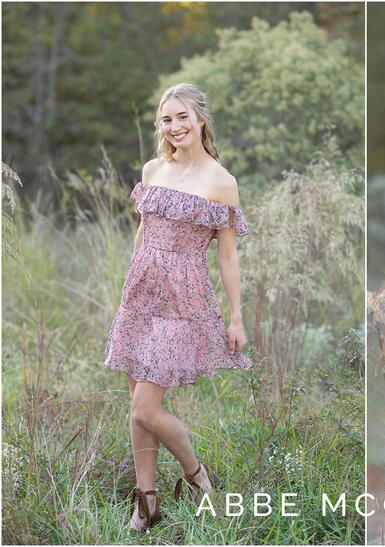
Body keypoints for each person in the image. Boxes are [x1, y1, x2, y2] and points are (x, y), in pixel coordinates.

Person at [103, 83, 253, 531]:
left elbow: (227, 255)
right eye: (167, 119)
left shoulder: (221, 182)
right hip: (140, 296)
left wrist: (236, 315)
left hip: (183, 300)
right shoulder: (153, 170)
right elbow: (142, 234)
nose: (175, 126)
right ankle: (146, 503)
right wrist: (131, 284)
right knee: (136, 405)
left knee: (146, 408)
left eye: (182, 116)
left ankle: (197, 476)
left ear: (201, 119)